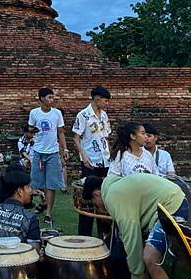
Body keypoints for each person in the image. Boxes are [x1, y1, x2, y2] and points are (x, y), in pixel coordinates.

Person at [83, 173, 189, 279]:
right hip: (171, 200)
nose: (98, 208)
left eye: (95, 204)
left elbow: (131, 237)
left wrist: (137, 274)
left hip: (171, 206)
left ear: (96, 194)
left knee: (150, 259)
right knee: (145, 259)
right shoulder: (115, 186)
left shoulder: (113, 197)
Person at [72, 85, 112, 235]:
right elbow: (76, 137)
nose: (107, 103)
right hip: (90, 160)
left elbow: (106, 136)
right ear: (97, 99)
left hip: (105, 160)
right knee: (88, 196)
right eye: (105, 101)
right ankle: (85, 234)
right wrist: (83, 155)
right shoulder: (83, 115)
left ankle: (104, 231)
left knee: (104, 194)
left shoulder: (104, 115)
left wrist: (109, 154)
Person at [28, 87, 69, 224]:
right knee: (37, 183)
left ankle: (49, 213)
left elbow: (61, 132)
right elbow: (29, 130)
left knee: (51, 184)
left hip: (53, 153)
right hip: (38, 152)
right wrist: (32, 133)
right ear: (41, 99)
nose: (52, 100)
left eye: (53, 97)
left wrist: (65, 149)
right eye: (49, 97)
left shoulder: (57, 113)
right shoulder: (34, 113)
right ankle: (43, 202)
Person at [0, 169, 41, 249]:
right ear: (20, 191)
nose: (31, 191)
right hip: (19, 261)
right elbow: (34, 252)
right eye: (28, 187)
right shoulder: (30, 218)